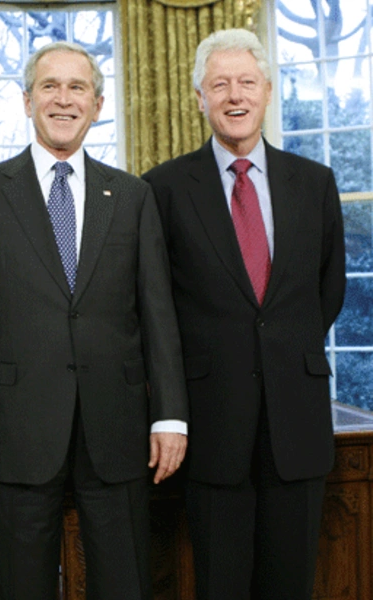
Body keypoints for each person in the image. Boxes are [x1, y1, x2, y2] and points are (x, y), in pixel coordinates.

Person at [0, 41, 189, 599]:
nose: (63, 99)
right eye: (50, 86)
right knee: (21, 585)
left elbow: (158, 314)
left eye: (78, 88)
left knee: (125, 583)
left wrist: (170, 416)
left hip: (117, 428)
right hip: (13, 428)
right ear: (27, 101)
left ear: (97, 105)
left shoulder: (132, 196)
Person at [142, 28, 346, 600]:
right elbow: (154, 302)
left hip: (297, 422)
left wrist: (280, 348)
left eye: (247, 82)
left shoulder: (315, 183)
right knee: (220, 584)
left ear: (268, 90)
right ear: (200, 97)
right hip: (211, 424)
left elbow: (326, 291)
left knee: (292, 584)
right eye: (220, 84)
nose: (235, 95)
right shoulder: (161, 189)